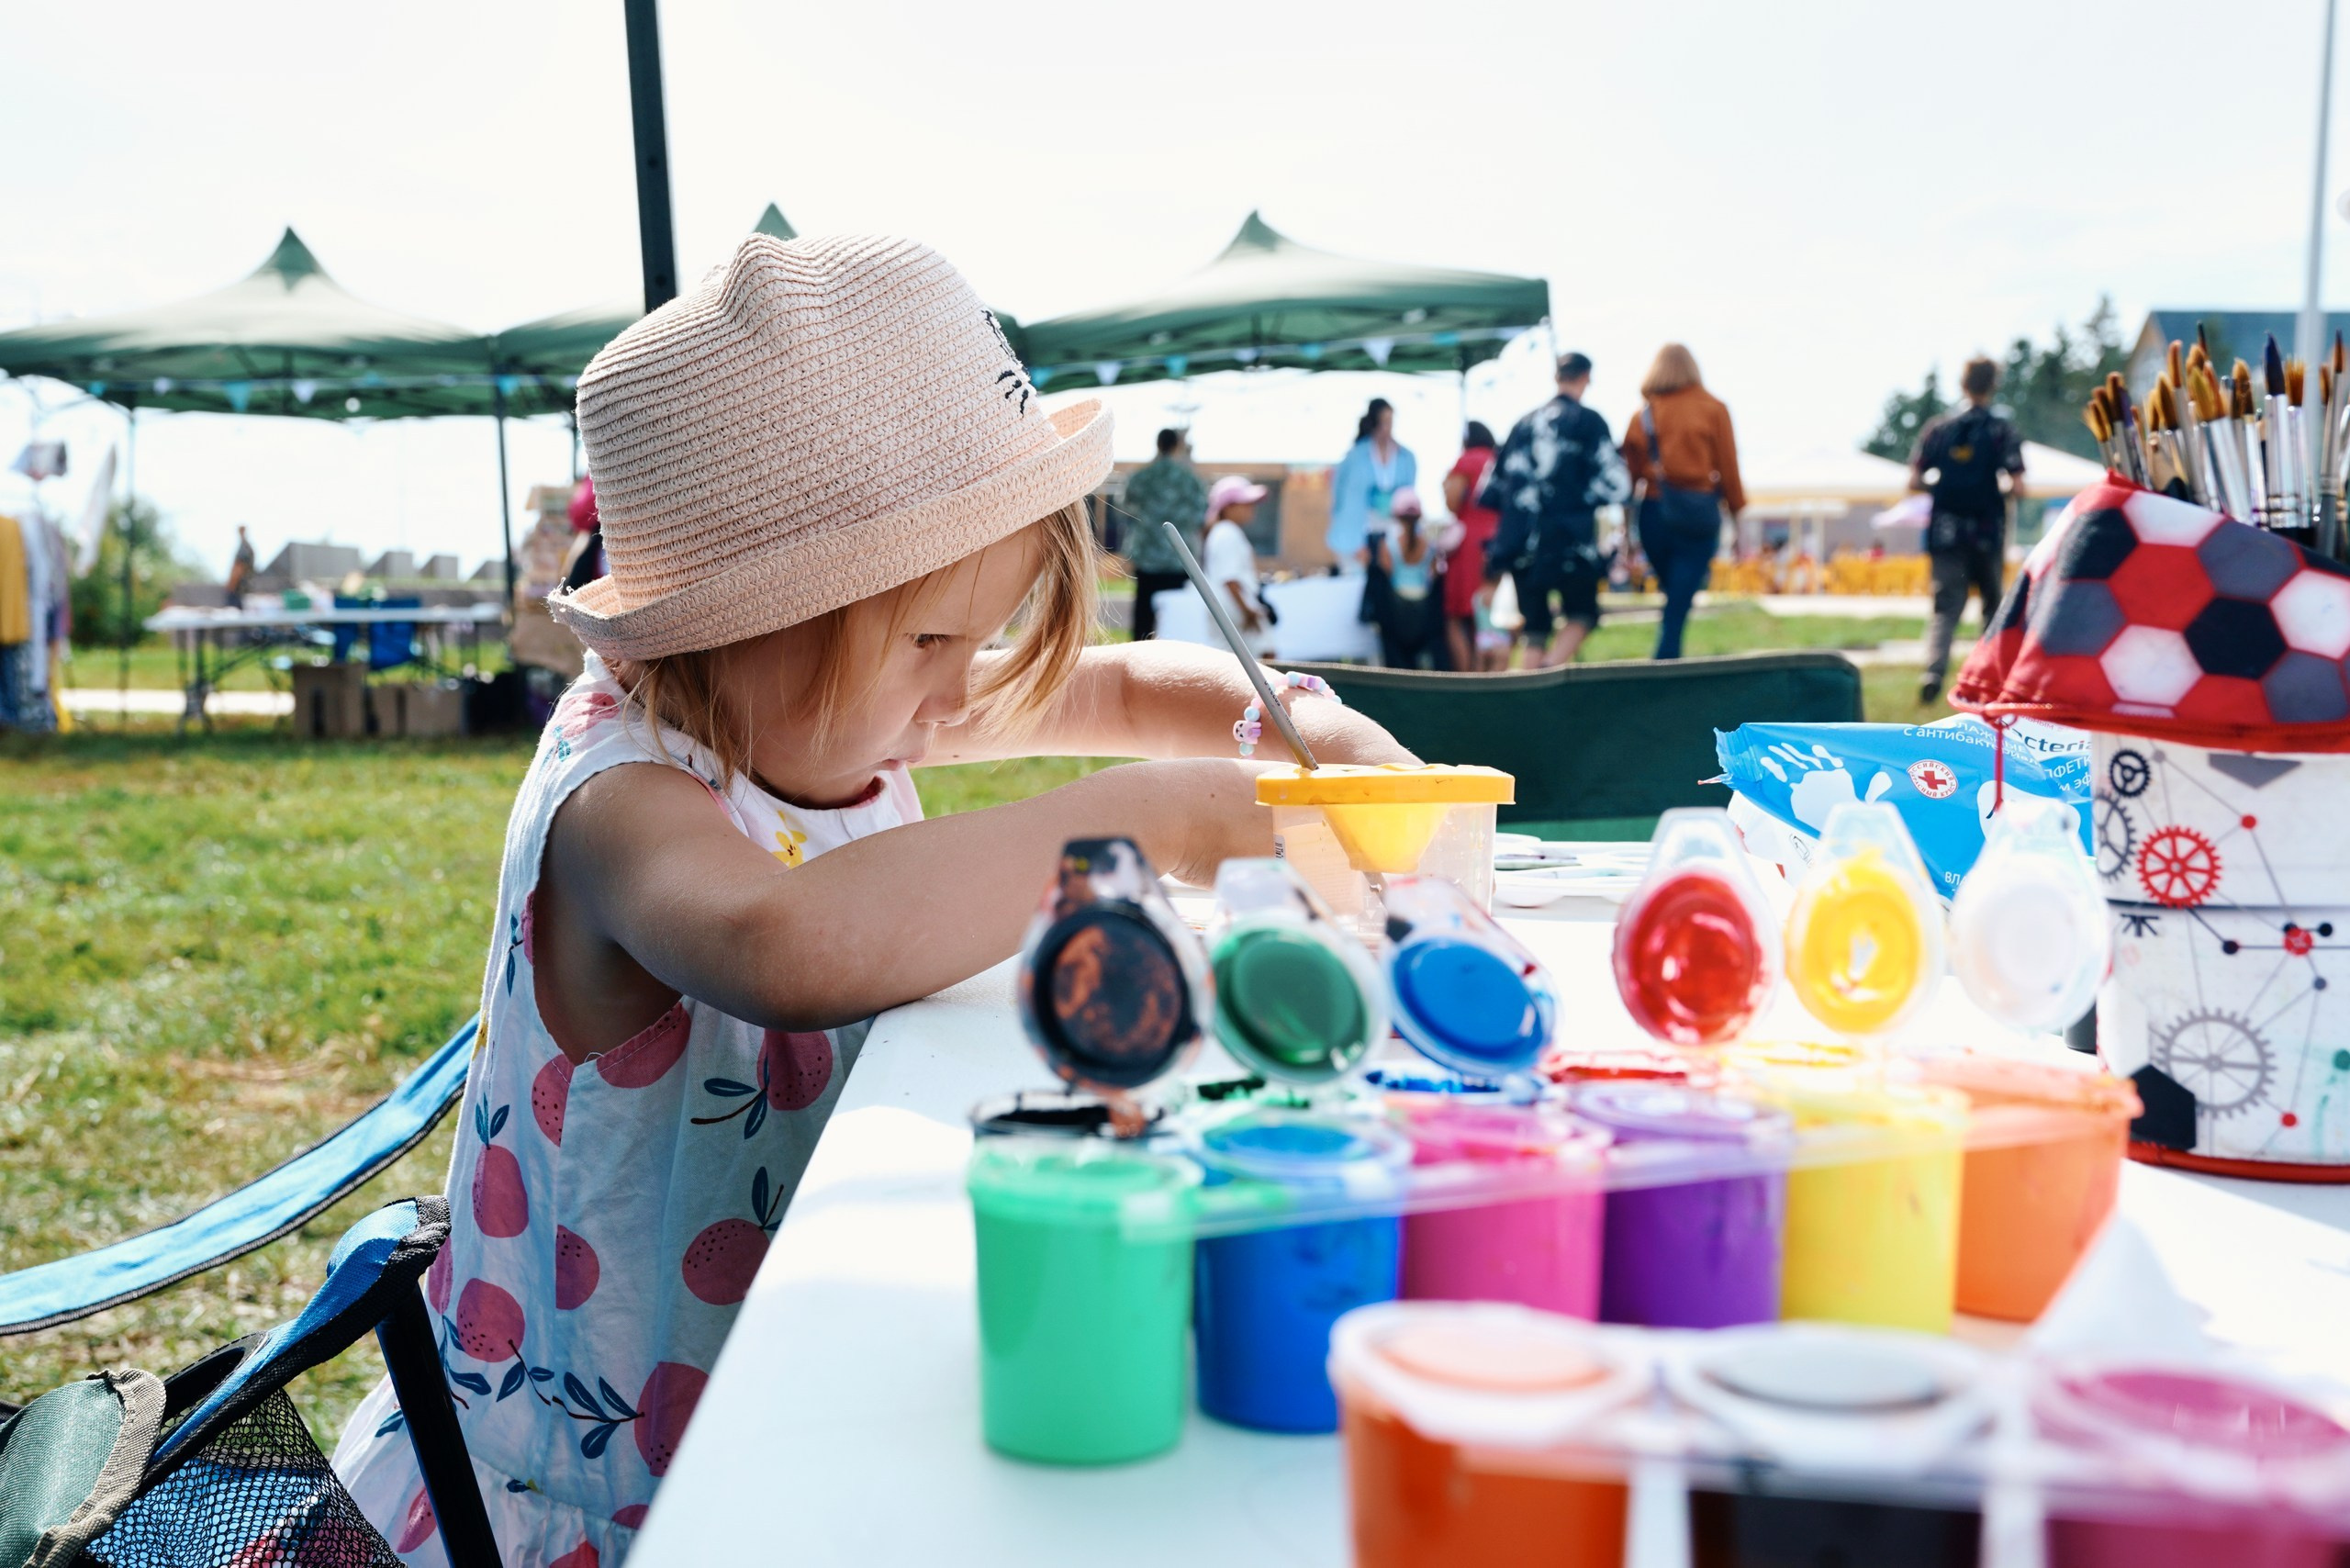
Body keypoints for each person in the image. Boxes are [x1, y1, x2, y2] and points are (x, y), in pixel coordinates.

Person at [328, 233, 1413, 1568]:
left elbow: (1124, 689)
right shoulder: (625, 802)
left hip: (782, 1371)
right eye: (933, 643)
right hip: (604, 1484)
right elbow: (782, 942)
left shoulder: (839, 705)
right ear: (740, 621)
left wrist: (1292, 724)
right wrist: (1168, 820)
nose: (962, 698)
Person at [1483, 353, 1631, 666]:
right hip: (1571, 543)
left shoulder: (1522, 424)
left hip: (1522, 543)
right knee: (1583, 614)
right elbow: (1619, 484)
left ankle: (1531, 699)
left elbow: (1492, 489)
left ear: (1556, 377)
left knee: (1534, 628)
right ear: (1586, 377)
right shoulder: (1589, 423)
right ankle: (1551, 670)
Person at [1909, 355, 2024, 703]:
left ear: (1962, 384)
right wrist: (1993, 491)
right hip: (1987, 531)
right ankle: (1990, 681)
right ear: (1993, 385)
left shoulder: (1938, 429)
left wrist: (1944, 491)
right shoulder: (2001, 429)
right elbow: (2018, 486)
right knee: (1992, 608)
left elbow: (1914, 481)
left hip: (1945, 532)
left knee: (1945, 609)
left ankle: (1933, 671)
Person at [1621, 344, 1744, 660]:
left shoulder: (1643, 415)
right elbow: (1729, 468)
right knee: (1681, 594)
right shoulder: (1713, 408)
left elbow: (1628, 478)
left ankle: (1666, 656)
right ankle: (1666, 660)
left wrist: (1626, 530)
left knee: (1674, 593)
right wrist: (1737, 518)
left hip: (1653, 513)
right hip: (1699, 512)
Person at [1118, 427, 1208, 642]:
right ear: (1177, 445)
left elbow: (1124, 510)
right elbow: (1200, 515)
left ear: (1158, 444)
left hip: (1147, 558)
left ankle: (1138, 659)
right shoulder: (1190, 480)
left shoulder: (1141, 477)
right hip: (1179, 559)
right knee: (1176, 617)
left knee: (1144, 615)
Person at [1442, 422, 1504, 670]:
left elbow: (1452, 503)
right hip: (1497, 541)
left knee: (1456, 616)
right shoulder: (1500, 460)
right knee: (1489, 615)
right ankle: (1489, 676)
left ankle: (1467, 675)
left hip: (1469, 546)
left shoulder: (1465, 461)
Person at [1329, 398, 1416, 566]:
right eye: (1384, 421)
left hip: (1392, 534)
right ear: (1374, 422)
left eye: (1390, 422)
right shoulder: (1354, 457)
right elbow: (1338, 499)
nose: (1387, 427)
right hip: (1355, 538)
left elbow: (1409, 498)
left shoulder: (1406, 457)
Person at [1371, 487, 1447, 669]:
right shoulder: (1428, 544)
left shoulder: (1388, 543)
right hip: (1423, 603)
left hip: (1396, 604)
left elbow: (1386, 569)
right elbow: (1435, 570)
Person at [1202, 474, 1274, 656]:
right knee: (1265, 660)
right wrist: (1248, 611)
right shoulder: (1227, 532)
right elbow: (1229, 578)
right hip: (1235, 608)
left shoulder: (1221, 532)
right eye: (1246, 504)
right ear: (1228, 507)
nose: (1252, 509)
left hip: (1229, 607)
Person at [226, 525, 257, 607]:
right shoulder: (247, 547)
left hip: (239, 588)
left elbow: (239, 568)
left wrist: (232, 585)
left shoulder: (244, 547)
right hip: (243, 588)